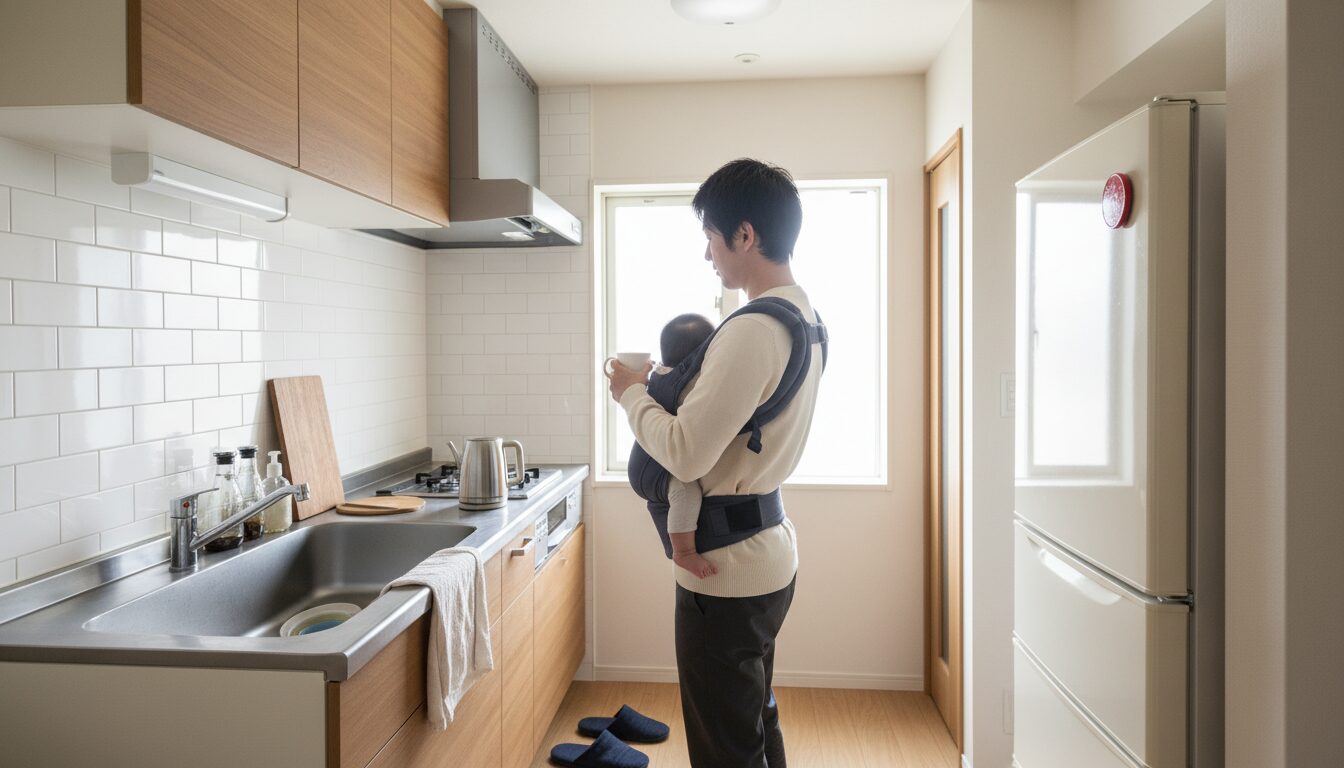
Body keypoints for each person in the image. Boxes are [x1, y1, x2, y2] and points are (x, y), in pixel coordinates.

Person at [606, 158, 826, 768]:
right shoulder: (806, 318)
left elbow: (683, 450)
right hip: (767, 551)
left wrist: (630, 394)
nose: (709, 256)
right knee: (753, 719)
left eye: (710, 238)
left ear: (745, 235)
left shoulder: (752, 330)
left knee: (724, 746)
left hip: (723, 570)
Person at [647, 313, 719, 580]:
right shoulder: (690, 383)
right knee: (686, 493)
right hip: (658, 464)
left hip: (658, 455)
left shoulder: (661, 374)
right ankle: (684, 551)